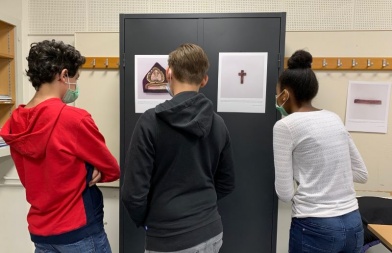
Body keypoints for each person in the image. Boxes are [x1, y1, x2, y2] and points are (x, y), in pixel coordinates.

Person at [0, 40, 120, 253]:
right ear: (64, 75)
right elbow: (112, 169)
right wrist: (96, 169)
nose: (75, 85)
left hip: (42, 234)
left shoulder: (15, 122)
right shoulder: (74, 119)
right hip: (78, 230)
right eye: (75, 78)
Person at [121, 43, 235, 253]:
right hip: (211, 232)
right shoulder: (218, 123)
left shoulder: (150, 122)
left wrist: (151, 219)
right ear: (204, 79)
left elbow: (132, 194)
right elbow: (227, 182)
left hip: (168, 237)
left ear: (168, 73)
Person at [273, 50, 368, 253]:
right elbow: (361, 174)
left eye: (278, 91)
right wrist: (327, 176)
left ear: (286, 94)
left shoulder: (285, 126)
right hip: (353, 221)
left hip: (315, 226)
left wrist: (311, 185)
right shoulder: (333, 118)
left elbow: (284, 192)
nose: (276, 97)